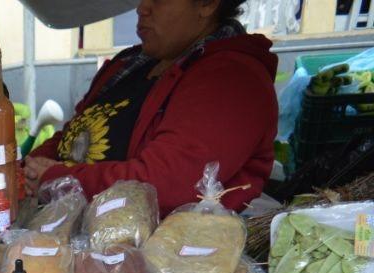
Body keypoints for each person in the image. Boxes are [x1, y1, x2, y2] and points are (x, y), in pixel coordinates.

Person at [24, 0, 276, 214]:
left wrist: (59, 178)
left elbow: (163, 185)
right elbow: (75, 133)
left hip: (151, 257)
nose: (142, 7)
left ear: (207, 4)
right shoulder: (130, 63)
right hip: (71, 229)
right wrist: (27, 170)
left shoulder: (231, 78)